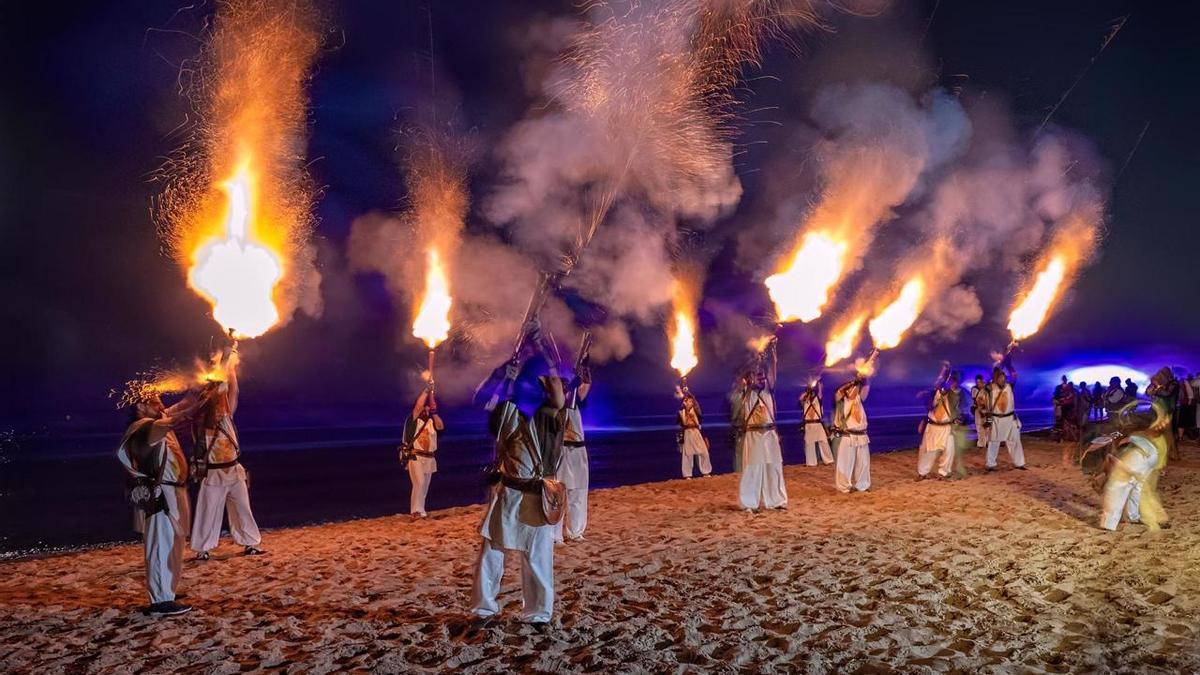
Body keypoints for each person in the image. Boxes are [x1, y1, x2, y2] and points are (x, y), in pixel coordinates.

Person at [471, 339, 564, 625]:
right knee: (491, 551)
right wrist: (503, 372)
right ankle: (484, 609)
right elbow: (479, 399)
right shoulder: (507, 412)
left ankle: (538, 614)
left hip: (537, 496)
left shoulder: (550, 415)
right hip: (509, 493)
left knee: (537, 558)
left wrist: (542, 348)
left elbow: (559, 395)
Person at [117, 386, 210, 616]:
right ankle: (160, 601)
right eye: (156, 403)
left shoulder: (156, 422)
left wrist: (203, 389)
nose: (162, 406)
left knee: (174, 544)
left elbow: (181, 406)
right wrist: (199, 405)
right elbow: (178, 416)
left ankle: (166, 591)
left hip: (174, 492)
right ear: (141, 406)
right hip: (160, 494)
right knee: (161, 546)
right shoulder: (143, 427)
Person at [190, 340, 265, 560]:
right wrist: (225, 357)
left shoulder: (226, 417)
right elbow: (217, 388)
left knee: (242, 508)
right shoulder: (203, 421)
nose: (222, 402)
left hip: (234, 470)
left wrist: (230, 363)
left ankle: (250, 543)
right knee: (208, 511)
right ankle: (202, 549)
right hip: (213, 473)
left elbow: (232, 389)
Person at [730, 340, 787, 512]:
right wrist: (755, 363)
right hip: (753, 436)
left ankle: (776, 501)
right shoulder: (745, 394)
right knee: (753, 468)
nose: (761, 379)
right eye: (757, 376)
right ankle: (749, 503)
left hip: (770, 434)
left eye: (762, 377)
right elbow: (741, 380)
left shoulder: (768, 391)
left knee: (774, 467)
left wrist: (772, 351)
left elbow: (772, 372)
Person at [1099, 400, 1171, 531]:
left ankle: (1110, 524)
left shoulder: (1133, 432)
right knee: (1136, 488)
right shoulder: (1148, 430)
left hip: (1142, 457)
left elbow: (1118, 445)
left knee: (1119, 487)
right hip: (1149, 456)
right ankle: (1133, 516)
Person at [555, 356, 591, 542]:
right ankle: (555, 535)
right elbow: (564, 401)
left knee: (578, 492)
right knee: (558, 492)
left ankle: (575, 531)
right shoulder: (555, 405)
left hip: (578, 452)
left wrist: (584, 366)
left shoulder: (576, 403)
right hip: (561, 452)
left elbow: (585, 385)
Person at [401, 382, 444, 518]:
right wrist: (426, 391)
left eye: (427, 409)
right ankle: (415, 511)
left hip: (429, 458)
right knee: (419, 482)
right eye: (424, 408)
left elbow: (441, 426)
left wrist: (435, 412)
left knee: (424, 486)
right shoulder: (413, 420)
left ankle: (422, 510)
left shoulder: (431, 423)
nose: (425, 409)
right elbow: (418, 406)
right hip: (415, 456)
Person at [832, 374, 871, 493]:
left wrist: (864, 378)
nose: (855, 390)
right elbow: (838, 392)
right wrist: (853, 382)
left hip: (862, 436)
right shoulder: (841, 400)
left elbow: (866, 388)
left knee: (863, 463)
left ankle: (862, 485)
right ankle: (844, 487)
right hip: (848, 436)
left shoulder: (858, 399)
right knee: (845, 463)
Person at [985, 362, 1026, 471]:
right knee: (994, 441)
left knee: (1015, 441)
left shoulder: (1010, 386)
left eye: (1003, 377)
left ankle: (1019, 463)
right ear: (996, 378)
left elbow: (1014, 375)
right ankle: (990, 464)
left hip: (1010, 419)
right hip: (997, 419)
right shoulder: (990, 388)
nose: (1002, 380)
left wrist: (1008, 362)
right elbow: (988, 405)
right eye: (999, 378)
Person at [917, 364, 956, 480]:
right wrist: (945, 372)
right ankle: (923, 472)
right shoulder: (932, 394)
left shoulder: (952, 395)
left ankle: (944, 473)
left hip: (946, 427)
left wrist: (947, 371)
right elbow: (929, 405)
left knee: (949, 450)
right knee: (928, 451)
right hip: (933, 427)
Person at [1146, 367, 1180, 462]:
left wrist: (1157, 388)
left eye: (1162, 374)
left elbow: (1166, 394)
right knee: (1154, 432)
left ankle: (1175, 454)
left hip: (1166, 411)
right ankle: (1160, 453)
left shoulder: (1173, 383)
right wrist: (1153, 387)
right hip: (1155, 411)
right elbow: (1147, 393)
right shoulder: (1157, 383)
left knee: (1168, 434)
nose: (1160, 376)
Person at [677, 388, 712, 479]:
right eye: (689, 401)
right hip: (687, 433)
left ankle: (706, 471)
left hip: (696, 432)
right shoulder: (681, 412)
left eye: (691, 401)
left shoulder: (696, 410)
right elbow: (680, 422)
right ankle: (687, 474)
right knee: (687, 454)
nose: (691, 403)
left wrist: (687, 392)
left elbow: (697, 407)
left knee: (703, 452)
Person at [798, 380, 833, 467]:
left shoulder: (818, 399)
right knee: (809, 444)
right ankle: (811, 462)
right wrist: (807, 391)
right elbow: (800, 399)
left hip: (818, 424)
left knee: (823, 442)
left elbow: (820, 393)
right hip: (809, 425)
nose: (812, 394)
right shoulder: (805, 401)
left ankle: (828, 460)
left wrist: (819, 385)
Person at [971, 374, 990, 448]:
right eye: (977, 382)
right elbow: (976, 400)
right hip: (978, 410)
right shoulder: (974, 389)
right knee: (979, 427)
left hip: (987, 410)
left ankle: (988, 442)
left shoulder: (986, 389)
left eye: (980, 382)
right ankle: (981, 444)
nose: (978, 383)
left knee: (987, 427)